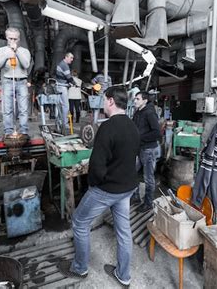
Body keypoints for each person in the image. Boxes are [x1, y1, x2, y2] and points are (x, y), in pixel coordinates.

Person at [57, 86, 140, 288]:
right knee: (123, 230)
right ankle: (123, 275)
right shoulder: (133, 126)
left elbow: (96, 166)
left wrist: (94, 185)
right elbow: (132, 158)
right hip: (127, 187)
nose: (103, 104)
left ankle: (79, 268)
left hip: (108, 189)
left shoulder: (108, 127)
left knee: (79, 221)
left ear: (111, 101)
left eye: (104, 100)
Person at [0, 27, 31, 137]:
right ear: (6, 38)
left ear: (19, 39)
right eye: (10, 38)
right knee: (7, 109)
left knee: (23, 109)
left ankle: (24, 131)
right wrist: (7, 55)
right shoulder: (1, 50)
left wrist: (17, 52)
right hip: (7, 81)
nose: (13, 41)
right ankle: (8, 131)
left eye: (15, 39)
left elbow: (26, 65)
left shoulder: (24, 51)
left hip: (22, 81)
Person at [131, 91, 162, 213]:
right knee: (131, 172)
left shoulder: (149, 113)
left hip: (148, 149)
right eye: (135, 99)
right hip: (139, 148)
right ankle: (136, 197)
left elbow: (157, 133)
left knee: (148, 178)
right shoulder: (138, 112)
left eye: (137, 99)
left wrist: (139, 137)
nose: (135, 101)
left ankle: (148, 203)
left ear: (144, 100)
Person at [55, 52, 75, 129]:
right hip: (62, 87)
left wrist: (69, 83)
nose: (72, 60)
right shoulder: (64, 65)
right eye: (71, 58)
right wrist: (74, 83)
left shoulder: (60, 63)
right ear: (66, 57)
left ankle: (59, 123)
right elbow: (69, 77)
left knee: (59, 106)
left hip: (59, 86)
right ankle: (65, 124)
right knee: (66, 106)